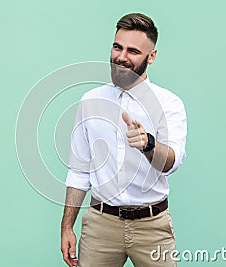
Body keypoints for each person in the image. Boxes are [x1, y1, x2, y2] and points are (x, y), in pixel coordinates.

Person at [60, 13, 187, 267]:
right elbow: (79, 169)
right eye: (117, 47)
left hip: (152, 226)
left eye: (133, 51)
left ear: (151, 56)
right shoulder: (90, 101)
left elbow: (170, 162)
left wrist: (148, 144)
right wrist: (67, 227)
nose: (121, 57)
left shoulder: (169, 104)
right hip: (100, 224)